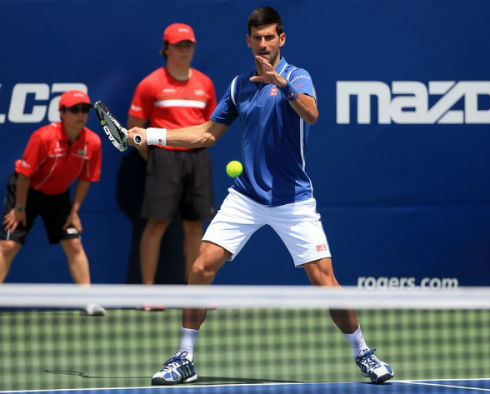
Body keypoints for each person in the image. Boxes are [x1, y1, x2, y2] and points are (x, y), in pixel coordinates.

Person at [128, 7, 394, 385]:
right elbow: (206, 134)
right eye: (258, 38)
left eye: (271, 37)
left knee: (324, 280)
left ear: (281, 40)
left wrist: (281, 84)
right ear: (248, 41)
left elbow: (312, 114)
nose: (264, 43)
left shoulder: (297, 76)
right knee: (202, 267)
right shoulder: (239, 85)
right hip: (246, 197)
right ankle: (184, 357)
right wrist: (150, 135)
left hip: (294, 200)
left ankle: (364, 353)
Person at [128, 23, 217, 285]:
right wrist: (153, 157)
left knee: (194, 227)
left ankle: (194, 294)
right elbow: (135, 130)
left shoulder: (205, 84)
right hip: (163, 158)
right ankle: (148, 292)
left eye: (188, 45)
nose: (184, 50)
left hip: (198, 159)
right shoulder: (150, 84)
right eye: (178, 45)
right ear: (166, 49)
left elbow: (210, 127)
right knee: (157, 225)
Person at [0, 90, 104, 314]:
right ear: (62, 113)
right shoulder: (43, 137)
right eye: (75, 110)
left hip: (58, 196)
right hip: (25, 192)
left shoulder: (93, 142)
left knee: (74, 243)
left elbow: (86, 178)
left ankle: (87, 301)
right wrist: (19, 208)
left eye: (85, 110)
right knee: (8, 245)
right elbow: (25, 175)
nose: (81, 114)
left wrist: (74, 211)